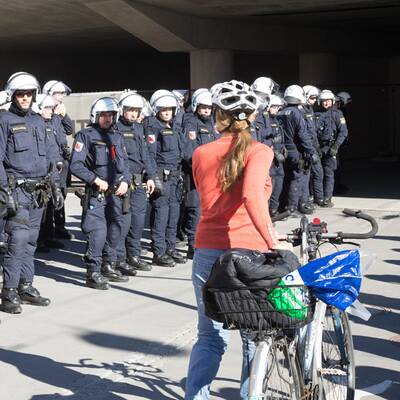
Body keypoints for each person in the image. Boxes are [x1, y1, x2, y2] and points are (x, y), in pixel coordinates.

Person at [184, 80, 290, 400]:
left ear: (219, 115)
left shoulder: (201, 152)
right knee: (252, 336)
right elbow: (251, 197)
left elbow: (209, 198)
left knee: (209, 336)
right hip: (248, 254)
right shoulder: (260, 151)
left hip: (207, 248)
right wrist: (272, 239)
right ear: (252, 117)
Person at [0, 72, 64, 313]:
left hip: (39, 191)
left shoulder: (39, 121)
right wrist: (4, 189)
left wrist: (55, 185)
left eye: (29, 93)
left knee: (30, 242)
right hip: (16, 191)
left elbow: (50, 156)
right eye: (20, 94)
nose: (25, 97)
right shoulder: (4, 120)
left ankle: (26, 286)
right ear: (13, 96)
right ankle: (8, 292)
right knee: (16, 241)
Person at [70, 96, 131, 289]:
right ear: (95, 116)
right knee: (98, 232)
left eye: (111, 115)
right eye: (103, 115)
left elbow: (125, 165)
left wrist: (126, 182)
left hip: (117, 194)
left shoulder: (117, 137)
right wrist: (95, 180)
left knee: (115, 230)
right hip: (97, 193)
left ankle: (108, 265)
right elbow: (76, 165)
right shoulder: (85, 136)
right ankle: (93, 272)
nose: (107, 119)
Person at [115, 90, 156, 273]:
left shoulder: (139, 129)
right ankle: (119, 258)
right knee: (123, 222)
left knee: (138, 222)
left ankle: (134, 255)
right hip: (124, 182)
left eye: (136, 110)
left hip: (139, 182)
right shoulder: (115, 129)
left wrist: (152, 177)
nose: (133, 113)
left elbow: (146, 155)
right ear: (122, 110)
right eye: (130, 110)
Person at [145, 89, 186, 267]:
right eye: (163, 109)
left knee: (173, 215)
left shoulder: (176, 127)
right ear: (157, 110)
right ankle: (159, 251)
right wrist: (153, 177)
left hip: (176, 177)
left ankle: (170, 247)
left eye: (170, 109)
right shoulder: (153, 128)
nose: (167, 112)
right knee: (161, 215)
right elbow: (149, 155)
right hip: (162, 176)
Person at [181, 88, 216, 259]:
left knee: (210, 210)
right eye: (203, 108)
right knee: (195, 210)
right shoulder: (191, 123)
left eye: (209, 108)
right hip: (196, 174)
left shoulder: (212, 124)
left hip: (213, 175)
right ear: (196, 107)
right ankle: (192, 245)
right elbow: (189, 152)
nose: (207, 111)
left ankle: (207, 242)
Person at [42, 80, 74, 240]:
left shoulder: (57, 115)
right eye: (58, 93)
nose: (61, 97)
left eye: (62, 94)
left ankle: (59, 227)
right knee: (49, 198)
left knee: (62, 193)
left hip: (62, 161)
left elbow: (70, 130)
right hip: (50, 162)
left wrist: (64, 114)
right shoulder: (41, 113)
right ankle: (47, 233)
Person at [280, 85, 318, 213]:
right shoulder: (297, 113)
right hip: (296, 151)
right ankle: (292, 207)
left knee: (287, 178)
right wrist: (312, 152)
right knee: (298, 179)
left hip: (284, 150)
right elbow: (302, 134)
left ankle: (288, 205)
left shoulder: (281, 112)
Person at [315, 90, 348, 207]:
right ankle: (318, 199)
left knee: (329, 174)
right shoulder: (315, 114)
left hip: (330, 148)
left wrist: (336, 146)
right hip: (318, 148)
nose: (326, 103)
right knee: (317, 174)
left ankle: (327, 198)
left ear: (332, 101)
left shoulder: (337, 114)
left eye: (328, 101)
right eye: (323, 101)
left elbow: (343, 132)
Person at [302, 85, 324, 207]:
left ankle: (318, 198)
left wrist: (317, 148)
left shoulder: (310, 110)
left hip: (313, 147)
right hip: (306, 149)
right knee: (306, 176)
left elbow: (313, 133)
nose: (315, 100)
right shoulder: (301, 111)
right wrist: (310, 150)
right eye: (312, 98)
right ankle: (305, 201)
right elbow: (303, 134)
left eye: (315, 98)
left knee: (318, 173)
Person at [264, 94, 287, 216]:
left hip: (279, 159)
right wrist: (274, 152)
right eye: (274, 107)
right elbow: (262, 140)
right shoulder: (264, 121)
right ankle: (267, 211)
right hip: (270, 159)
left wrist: (283, 149)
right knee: (270, 185)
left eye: (278, 107)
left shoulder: (276, 120)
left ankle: (274, 209)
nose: (277, 109)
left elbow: (279, 138)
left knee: (279, 183)